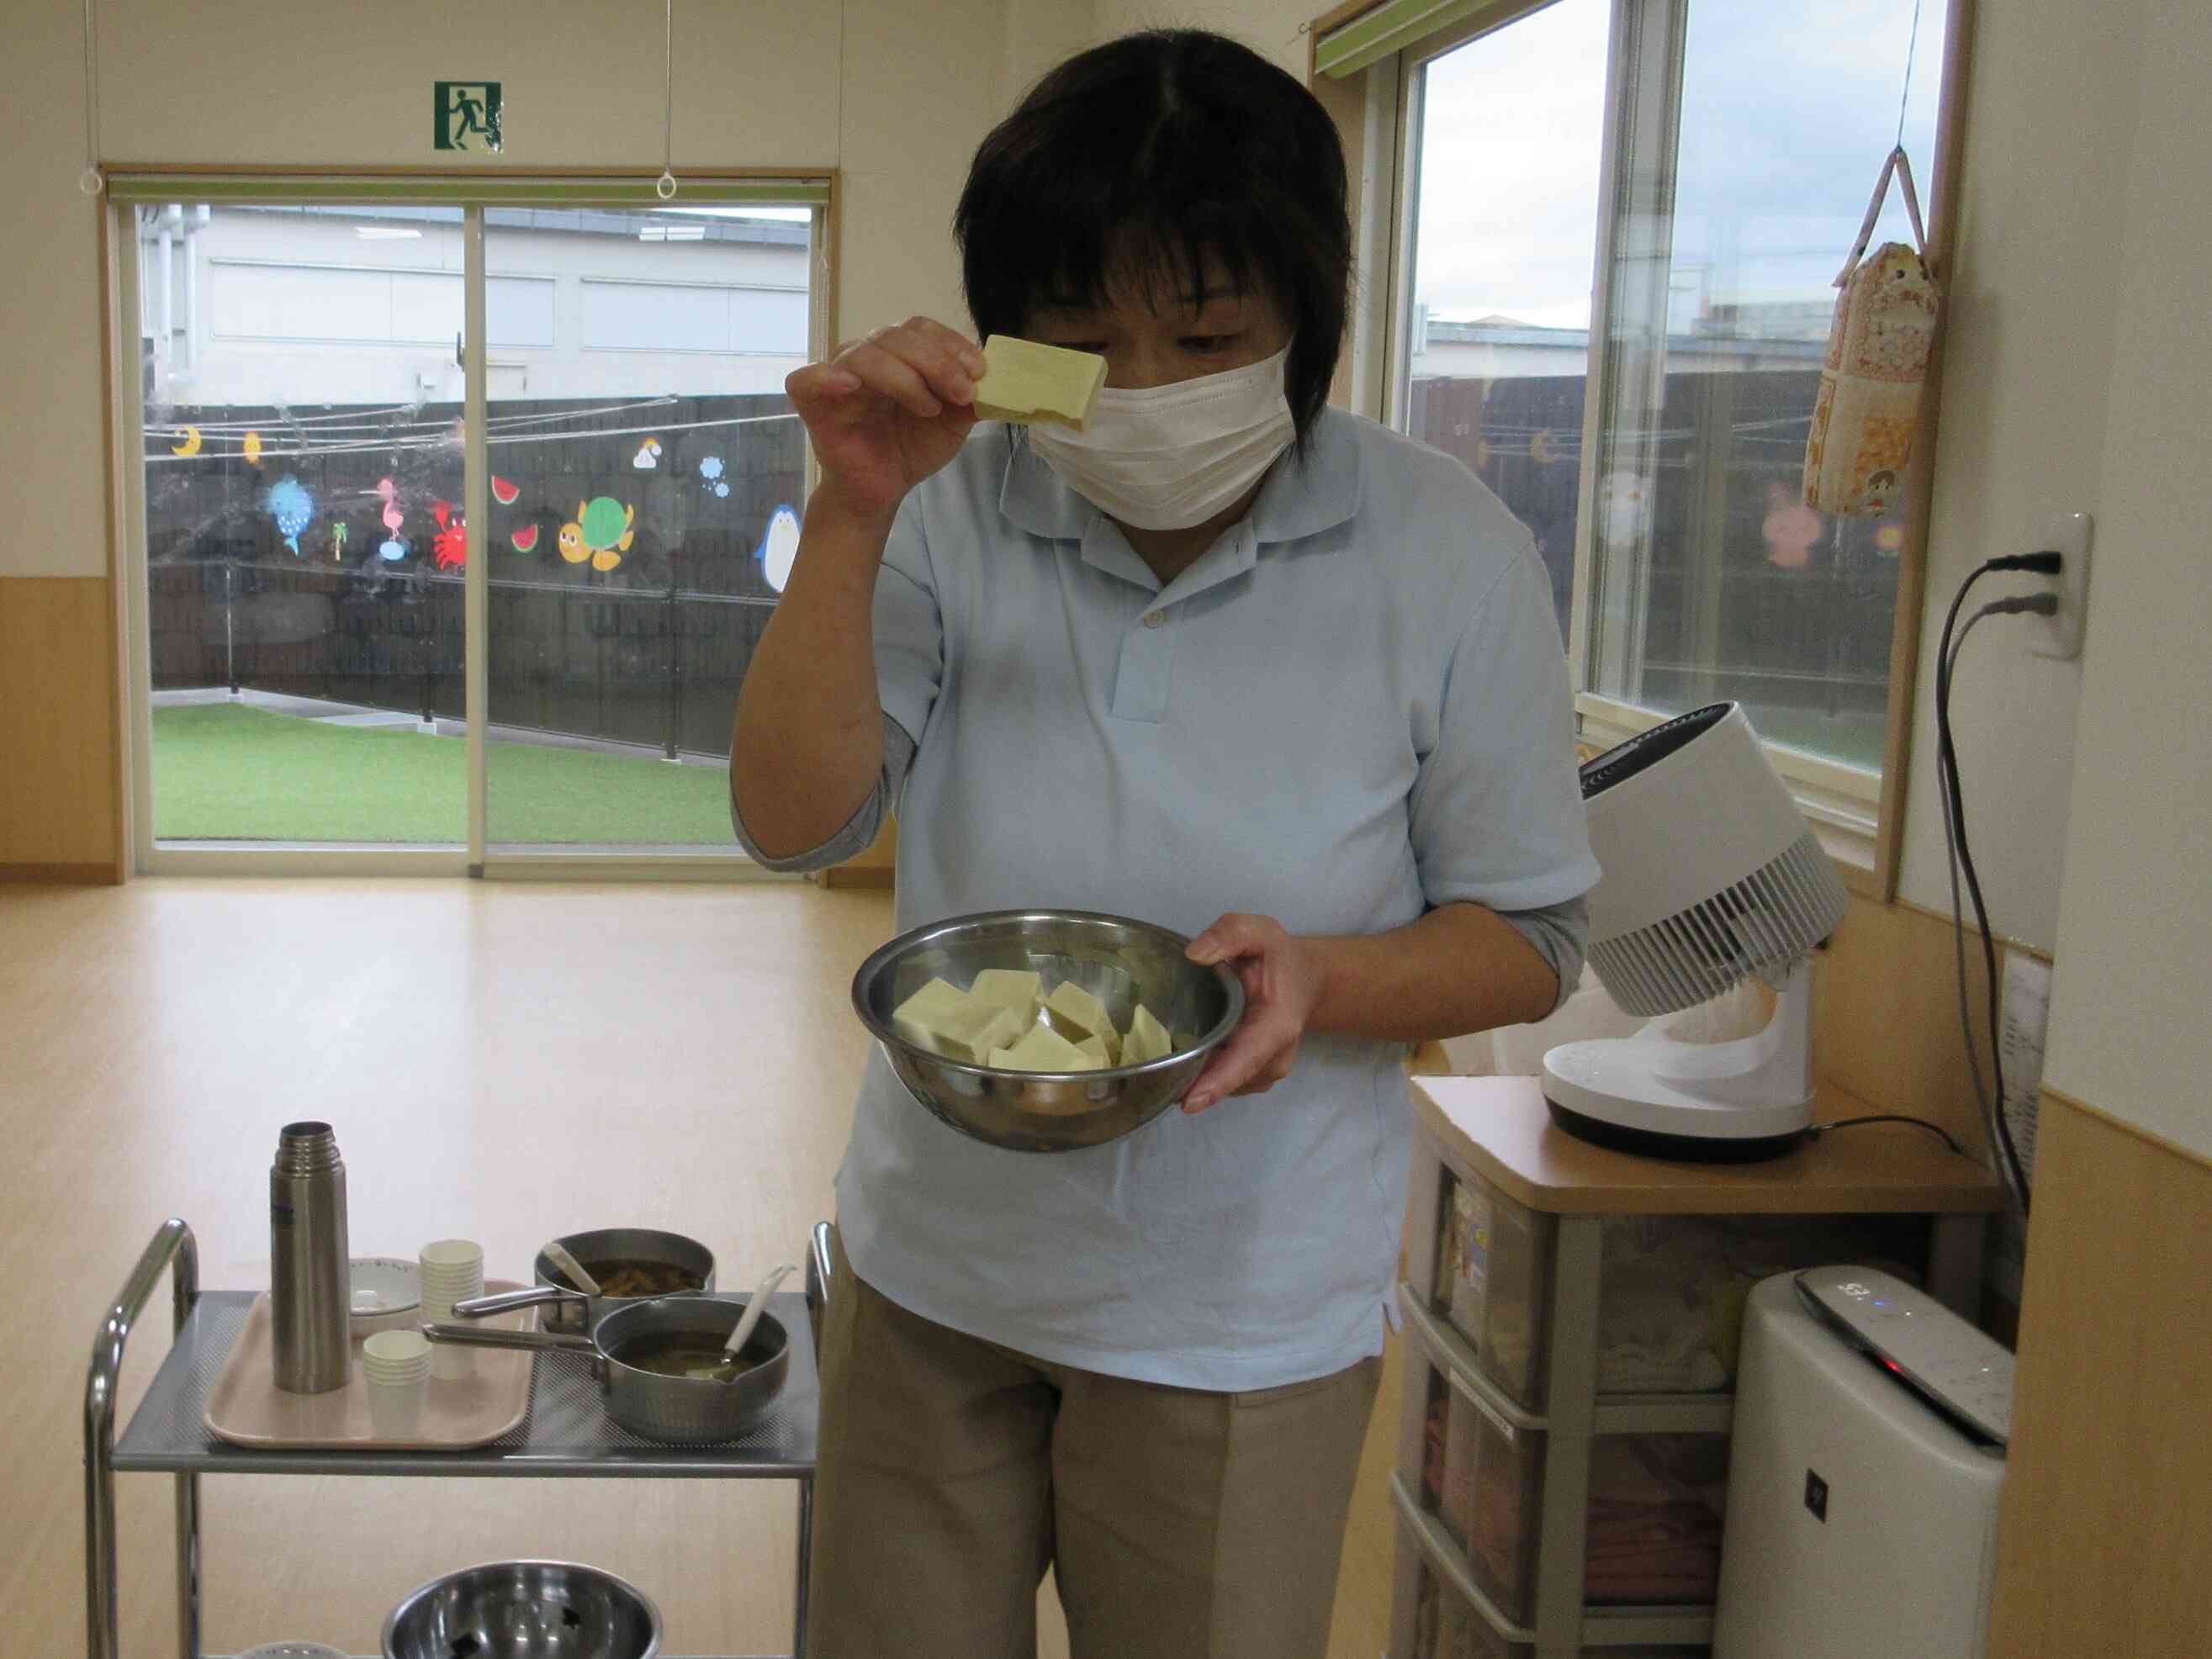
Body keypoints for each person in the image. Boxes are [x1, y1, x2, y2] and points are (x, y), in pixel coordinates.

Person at [728, 29, 1599, 1659]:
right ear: (1010, 341)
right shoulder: (948, 504)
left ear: (1306, 321)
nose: (1139, 392)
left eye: (1206, 336)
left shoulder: (1444, 548)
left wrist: (1319, 981)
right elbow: (795, 823)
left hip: (1240, 1314)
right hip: (932, 1269)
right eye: (1079, 339)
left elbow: (1529, 937)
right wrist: (849, 511)